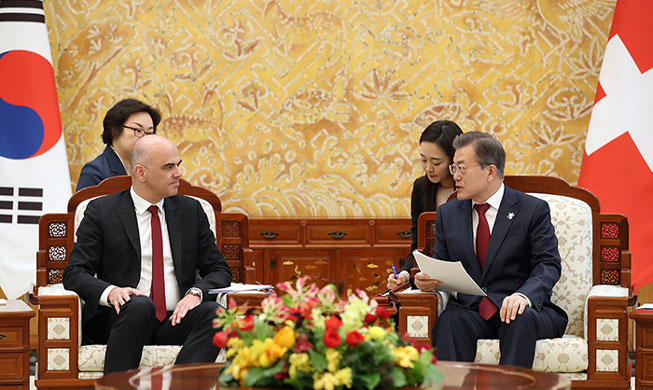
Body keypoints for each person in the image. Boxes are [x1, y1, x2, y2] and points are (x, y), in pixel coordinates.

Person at [63, 135, 232, 374]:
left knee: (215, 314)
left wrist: (196, 293)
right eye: (168, 167)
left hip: (175, 318)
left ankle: (180, 386)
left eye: (178, 164)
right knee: (139, 306)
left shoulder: (191, 211)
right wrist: (112, 292)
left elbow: (218, 269)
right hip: (121, 319)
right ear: (141, 173)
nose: (179, 173)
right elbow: (74, 273)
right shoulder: (103, 211)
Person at [413, 131, 567, 368]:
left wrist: (523, 296)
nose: (455, 176)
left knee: (519, 318)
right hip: (471, 309)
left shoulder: (531, 210)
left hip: (519, 307)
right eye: (453, 168)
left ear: (490, 171)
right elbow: (442, 265)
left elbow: (548, 265)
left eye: (462, 168)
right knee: (449, 321)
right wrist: (429, 280)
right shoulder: (449, 213)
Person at [386, 120, 463, 290]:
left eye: (436, 163)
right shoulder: (421, 188)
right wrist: (405, 275)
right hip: (427, 277)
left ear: (454, 160)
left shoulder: (469, 189)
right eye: (423, 160)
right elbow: (418, 245)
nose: (428, 168)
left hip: (462, 277)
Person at [76, 98, 162, 191]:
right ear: (115, 130)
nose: (144, 138)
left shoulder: (152, 169)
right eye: (138, 130)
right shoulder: (95, 171)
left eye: (149, 133)